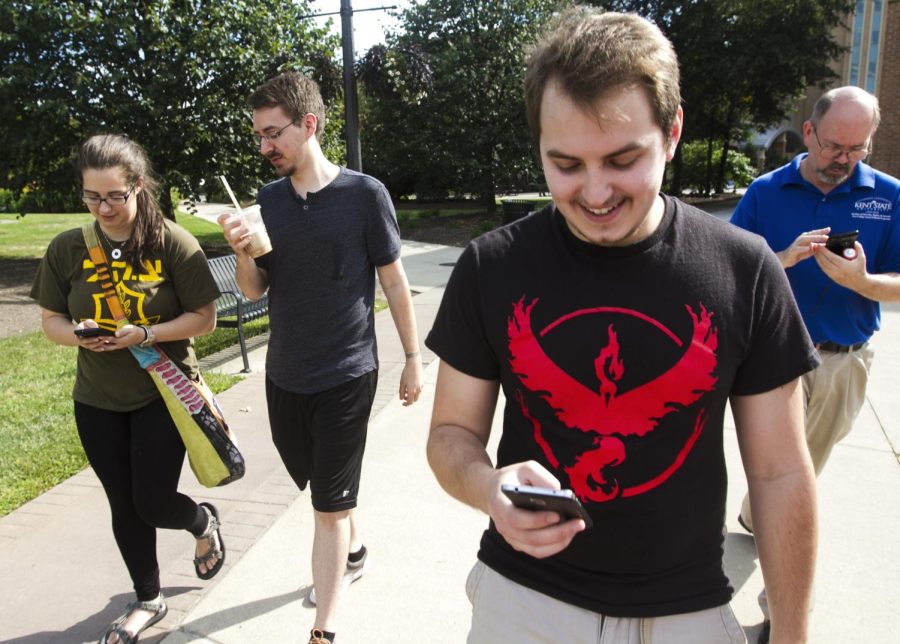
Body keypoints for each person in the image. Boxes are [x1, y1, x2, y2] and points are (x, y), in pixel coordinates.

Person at [425, 8, 819, 644]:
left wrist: (794, 636)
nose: (596, 191)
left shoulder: (745, 270)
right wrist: (486, 486)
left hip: (687, 610)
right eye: (567, 164)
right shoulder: (491, 266)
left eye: (621, 158)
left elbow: (779, 474)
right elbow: (449, 434)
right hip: (524, 602)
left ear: (673, 132)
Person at [218, 71, 424, 644]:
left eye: (272, 133)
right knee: (320, 486)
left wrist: (413, 357)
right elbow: (256, 289)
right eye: (258, 135)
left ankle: (324, 631)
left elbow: (395, 281)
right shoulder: (268, 201)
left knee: (328, 505)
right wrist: (241, 252)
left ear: (309, 124)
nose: (264, 147)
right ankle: (354, 552)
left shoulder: (365, 196)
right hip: (285, 374)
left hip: (348, 373)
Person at [30, 134, 224, 644]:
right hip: (96, 400)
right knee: (123, 503)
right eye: (92, 197)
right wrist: (79, 336)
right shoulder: (68, 248)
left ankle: (202, 522)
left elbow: (205, 319)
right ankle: (149, 598)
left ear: (138, 186)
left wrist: (146, 334)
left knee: (154, 502)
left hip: (164, 393)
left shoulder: (173, 243)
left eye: (115, 195)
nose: (104, 207)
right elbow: (50, 319)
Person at [730, 86, 900, 642]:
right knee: (792, 482)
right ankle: (780, 611)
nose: (843, 158)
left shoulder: (889, 197)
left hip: (841, 362)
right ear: (809, 133)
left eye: (857, 148)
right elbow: (727, 271)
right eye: (833, 146)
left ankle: (758, 515)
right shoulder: (765, 191)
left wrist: (863, 282)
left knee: (802, 468)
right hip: (773, 360)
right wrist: (780, 259)